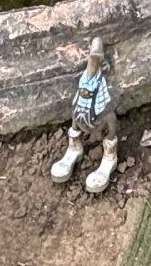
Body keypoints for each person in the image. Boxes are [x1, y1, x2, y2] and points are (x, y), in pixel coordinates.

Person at [51, 38, 120, 193]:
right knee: (77, 110)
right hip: (84, 108)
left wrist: (96, 58)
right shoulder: (84, 86)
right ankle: (74, 147)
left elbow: (95, 60)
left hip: (98, 111)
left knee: (109, 119)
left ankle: (110, 156)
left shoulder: (101, 94)